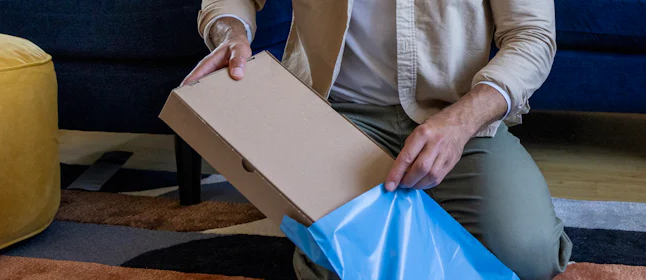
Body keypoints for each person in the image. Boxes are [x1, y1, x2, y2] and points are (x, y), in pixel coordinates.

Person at [182, 0, 571, 279]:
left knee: (529, 257)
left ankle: (394, 210)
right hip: (332, 113)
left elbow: (532, 35)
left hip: (456, 116)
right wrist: (229, 33)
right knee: (342, 266)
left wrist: (460, 123)